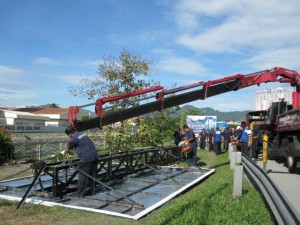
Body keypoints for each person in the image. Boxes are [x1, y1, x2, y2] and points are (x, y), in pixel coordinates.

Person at [65, 126, 99, 197]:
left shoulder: (73, 139)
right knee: (92, 175)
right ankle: (92, 191)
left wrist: (69, 142)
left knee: (82, 176)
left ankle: (80, 194)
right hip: (95, 156)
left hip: (86, 158)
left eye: (68, 135)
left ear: (70, 134)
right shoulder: (82, 134)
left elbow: (67, 150)